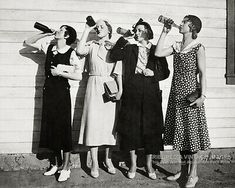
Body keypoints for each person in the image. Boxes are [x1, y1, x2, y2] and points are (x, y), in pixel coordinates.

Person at [155, 15, 210, 187]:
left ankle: (193, 175)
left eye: (185, 22)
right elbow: (157, 53)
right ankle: (183, 172)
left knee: (191, 136)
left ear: (192, 27)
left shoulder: (198, 47)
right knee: (181, 134)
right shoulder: (177, 46)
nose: (181, 23)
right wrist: (164, 32)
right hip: (177, 96)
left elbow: (202, 74)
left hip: (191, 96)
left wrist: (202, 97)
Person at [110, 19, 167, 180]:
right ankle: (133, 164)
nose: (137, 32)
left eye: (140, 30)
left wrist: (154, 74)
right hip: (132, 90)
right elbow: (114, 55)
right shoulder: (130, 48)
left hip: (150, 91)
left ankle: (149, 165)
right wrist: (125, 37)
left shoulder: (156, 49)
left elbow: (166, 72)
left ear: (148, 32)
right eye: (136, 30)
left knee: (150, 130)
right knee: (131, 129)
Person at [24, 25, 82, 182]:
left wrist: (61, 73)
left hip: (62, 94)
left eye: (61, 29)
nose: (58, 30)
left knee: (63, 129)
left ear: (67, 35)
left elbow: (79, 76)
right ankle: (56, 163)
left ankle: (67, 167)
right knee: (52, 128)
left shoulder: (71, 53)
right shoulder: (48, 47)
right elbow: (28, 41)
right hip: (48, 92)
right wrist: (44, 33)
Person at [76, 19, 122, 178]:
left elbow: (119, 67)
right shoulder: (92, 45)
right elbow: (79, 50)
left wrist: (120, 88)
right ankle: (94, 162)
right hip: (94, 84)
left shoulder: (115, 45)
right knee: (93, 123)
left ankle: (108, 159)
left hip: (110, 84)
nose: (98, 29)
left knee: (110, 124)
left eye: (102, 27)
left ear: (109, 30)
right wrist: (87, 29)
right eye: (97, 27)